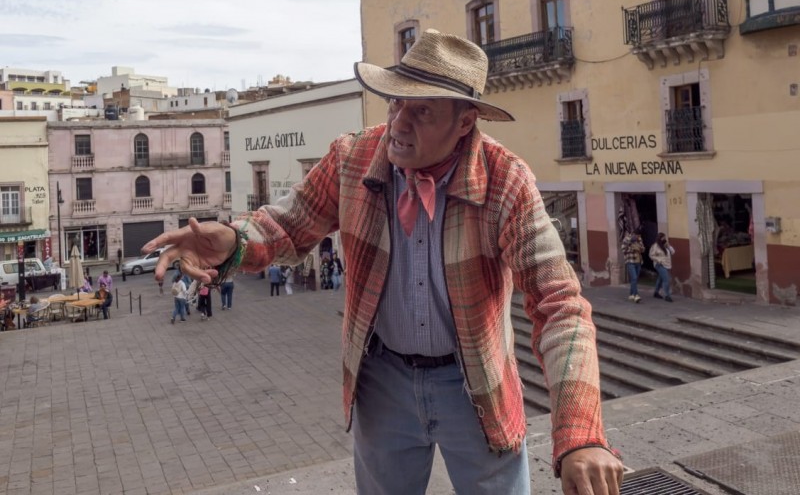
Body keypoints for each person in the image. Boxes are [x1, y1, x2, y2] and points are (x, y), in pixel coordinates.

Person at [143, 29, 623, 495]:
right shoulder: (353, 158)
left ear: (464, 122)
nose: (398, 123)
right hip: (382, 381)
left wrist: (580, 434)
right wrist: (232, 239)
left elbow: (559, 305)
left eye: (421, 111)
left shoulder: (506, 182)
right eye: (395, 102)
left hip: (474, 382)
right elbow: (288, 225)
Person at [649, 232, 675, 302]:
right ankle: (667, 295)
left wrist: (668, 246)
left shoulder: (666, 246)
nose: (664, 239)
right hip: (659, 264)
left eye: (665, 237)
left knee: (660, 279)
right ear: (659, 238)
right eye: (663, 237)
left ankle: (656, 292)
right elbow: (651, 255)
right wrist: (658, 260)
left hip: (667, 264)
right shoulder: (655, 246)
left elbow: (673, 252)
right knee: (666, 279)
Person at [621, 228, 644, 303]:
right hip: (630, 261)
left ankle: (631, 294)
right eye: (637, 235)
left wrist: (639, 248)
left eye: (639, 236)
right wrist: (632, 248)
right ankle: (636, 295)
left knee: (635, 279)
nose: (638, 237)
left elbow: (643, 249)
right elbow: (623, 250)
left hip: (638, 261)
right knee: (634, 277)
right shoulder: (626, 239)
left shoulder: (639, 239)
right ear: (633, 234)